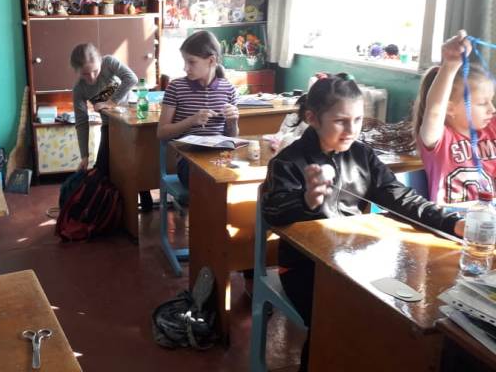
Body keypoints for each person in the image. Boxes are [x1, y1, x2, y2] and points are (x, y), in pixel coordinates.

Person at [262, 74, 464, 371]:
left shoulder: (362, 155)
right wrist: (306, 201)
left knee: (397, 313)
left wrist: (452, 223)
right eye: (341, 121)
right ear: (312, 118)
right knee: (336, 316)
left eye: (357, 120)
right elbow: (273, 212)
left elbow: (400, 197)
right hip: (304, 268)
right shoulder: (288, 161)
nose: (351, 130)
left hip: (352, 262)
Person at [413, 29, 496, 203]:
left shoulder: (491, 129)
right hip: (451, 219)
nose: (492, 109)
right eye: (482, 103)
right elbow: (434, 110)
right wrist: (450, 65)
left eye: (491, 101)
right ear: (449, 108)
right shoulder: (440, 140)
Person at [70, 43, 153, 209]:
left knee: (137, 161)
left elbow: (131, 78)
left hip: (131, 119)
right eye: (85, 74)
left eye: (95, 71)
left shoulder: (109, 62)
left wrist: (111, 102)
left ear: (100, 61)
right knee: (102, 168)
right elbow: (81, 123)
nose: (91, 77)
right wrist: (84, 156)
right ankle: (111, 207)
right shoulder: (79, 89)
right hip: (110, 125)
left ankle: (146, 198)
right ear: (76, 71)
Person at [157, 30, 239, 187]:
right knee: (210, 180)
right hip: (189, 162)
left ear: (211, 60)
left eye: (191, 62)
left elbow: (232, 137)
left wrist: (233, 122)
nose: (185, 68)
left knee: (235, 179)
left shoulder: (228, 89)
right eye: (185, 62)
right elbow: (162, 133)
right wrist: (191, 121)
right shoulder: (176, 87)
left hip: (220, 157)